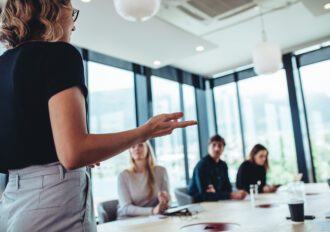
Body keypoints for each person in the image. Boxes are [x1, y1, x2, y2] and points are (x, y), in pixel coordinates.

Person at [0, 1, 197, 231]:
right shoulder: (61, 55)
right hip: (53, 198)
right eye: (71, 12)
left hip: (10, 199)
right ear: (51, 10)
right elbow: (73, 153)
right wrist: (145, 131)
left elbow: (27, 138)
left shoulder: (3, 64)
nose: (73, 24)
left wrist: (75, 151)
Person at [117, 142, 170, 219]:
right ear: (130, 151)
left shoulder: (161, 171)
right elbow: (125, 208)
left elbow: (167, 201)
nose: (136, 148)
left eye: (140, 145)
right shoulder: (123, 175)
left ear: (148, 148)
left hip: (154, 218)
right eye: (133, 146)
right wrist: (152, 211)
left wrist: (165, 201)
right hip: (128, 219)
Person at [188, 135, 247, 202]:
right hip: (199, 204)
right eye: (214, 145)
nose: (217, 149)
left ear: (223, 148)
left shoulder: (223, 165)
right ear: (208, 147)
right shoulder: (202, 165)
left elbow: (228, 188)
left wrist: (216, 192)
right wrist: (229, 195)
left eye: (220, 146)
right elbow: (204, 194)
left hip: (217, 201)